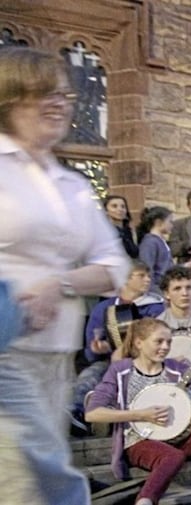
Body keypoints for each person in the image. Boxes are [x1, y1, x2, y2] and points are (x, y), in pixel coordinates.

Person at [0, 46, 130, 504]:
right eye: (43, 94)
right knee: (39, 480)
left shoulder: (72, 186)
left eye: (64, 94)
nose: (59, 103)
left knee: (34, 480)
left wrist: (61, 284)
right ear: (10, 98)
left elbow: (115, 266)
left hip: (55, 356)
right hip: (4, 349)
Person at [85, 318, 191, 505]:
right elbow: (92, 413)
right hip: (138, 441)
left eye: (169, 342)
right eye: (159, 341)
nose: (165, 347)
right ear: (139, 342)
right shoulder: (121, 371)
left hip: (174, 438)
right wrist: (141, 414)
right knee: (173, 456)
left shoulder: (175, 368)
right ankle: (145, 501)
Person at [71, 261, 165, 432]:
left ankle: (109, 415)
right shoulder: (103, 308)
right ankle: (77, 416)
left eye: (149, 276)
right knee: (89, 376)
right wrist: (98, 349)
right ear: (125, 279)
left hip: (144, 363)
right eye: (141, 276)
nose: (148, 280)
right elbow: (91, 349)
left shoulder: (156, 307)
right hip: (109, 362)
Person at [136, 206, 174, 294]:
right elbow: (147, 269)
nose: (172, 225)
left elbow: (166, 265)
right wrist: (154, 292)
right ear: (159, 222)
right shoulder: (150, 242)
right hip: (156, 290)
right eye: (170, 222)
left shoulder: (160, 241)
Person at [105, 194, 138, 259]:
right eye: (114, 206)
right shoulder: (105, 232)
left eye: (123, 206)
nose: (120, 209)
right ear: (106, 211)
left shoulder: (128, 231)